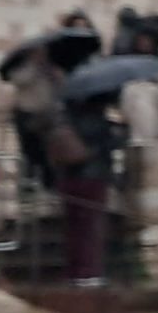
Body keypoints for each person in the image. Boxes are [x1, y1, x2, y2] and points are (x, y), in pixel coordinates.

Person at [54, 95, 119, 289]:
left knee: (73, 227)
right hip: (93, 179)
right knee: (91, 227)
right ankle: (89, 272)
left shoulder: (64, 119)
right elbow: (109, 146)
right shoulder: (98, 121)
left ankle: (74, 272)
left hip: (68, 179)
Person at [6, 43, 63, 190]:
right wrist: (34, 67)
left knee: (47, 152)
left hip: (46, 115)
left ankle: (48, 184)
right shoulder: (24, 68)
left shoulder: (51, 69)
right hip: (26, 113)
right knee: (29, 151)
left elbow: (59, 87)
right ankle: (28, 182)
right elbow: (18, 80)